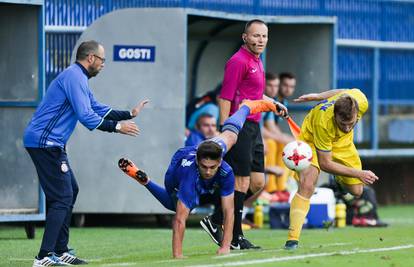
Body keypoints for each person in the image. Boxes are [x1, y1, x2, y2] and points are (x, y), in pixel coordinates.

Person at [24, 40, 148, 266]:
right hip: (44, 143)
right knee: (62, 197)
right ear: (90, 58)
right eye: (102, 60)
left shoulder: (78, 78)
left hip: (51, 143)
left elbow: (96, 108)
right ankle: (42, 258)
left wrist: (128, 113)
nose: (103, 64)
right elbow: (86, 116)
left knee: (70, 190)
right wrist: (117, 127)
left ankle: (60, 251)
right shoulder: (74, 76)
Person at [119, 100, 283, 258]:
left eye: (212, 167)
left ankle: (246, 106)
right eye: (204, 167)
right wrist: (178, 255)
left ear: (220, 161)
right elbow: (179, 221)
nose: (208, 171)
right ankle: (146, 181)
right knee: (176, 206)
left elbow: (228, 211)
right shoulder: (189, 177)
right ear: (198, 162)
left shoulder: (226, 170)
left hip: (206, 150)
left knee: (231, 136)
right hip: (176, 171)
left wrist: (225, 247)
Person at [200, 19, 288, 250]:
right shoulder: (238, 61)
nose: (260, 40)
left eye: (264, 36)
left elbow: (256, 95)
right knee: (241, 181)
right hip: (238, 127)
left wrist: (273, 104)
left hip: (254, 126)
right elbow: (225, 97)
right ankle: (236, 236)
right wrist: (224, 129)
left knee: (258, 182)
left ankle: (216, 218)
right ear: (245, 37)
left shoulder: (257, 61)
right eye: (256, 35)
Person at [284, 88, 379, 250]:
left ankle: (340, 178)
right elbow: (325, 163)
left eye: (352, 124)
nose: (348, 128)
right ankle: (292, 239)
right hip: (312, 140)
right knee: (307, 184)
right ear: (335, 115)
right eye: (343, 124)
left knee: (357, 191)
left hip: (343, 145)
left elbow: (344, 91)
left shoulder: (360, 100)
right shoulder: (323, 122)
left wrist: (318, 95)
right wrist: (359, 173)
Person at [261, 72, 295, 202]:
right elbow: (262, 128)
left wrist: (285, 138)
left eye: (291, 86)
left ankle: (283, 188)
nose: (274, 89)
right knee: (272, 144)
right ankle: (271, 189)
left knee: (289, 146)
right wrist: (282, 138)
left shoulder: (276, 102)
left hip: (260, 134)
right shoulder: (261, 99)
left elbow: (271, 126)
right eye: (271, 85)